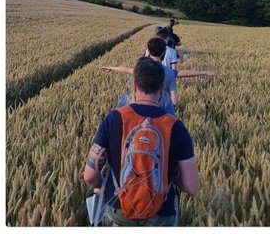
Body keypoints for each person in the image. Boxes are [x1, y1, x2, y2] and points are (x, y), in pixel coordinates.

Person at [83, 57, 198, 226]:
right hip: (161, 216)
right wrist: (174, 178)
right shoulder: (176, 127)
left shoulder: (114, 118)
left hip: (118, 211)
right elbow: (192, 187)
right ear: (161, 90)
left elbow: (89, 175)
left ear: (134, 86)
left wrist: (103, 187)